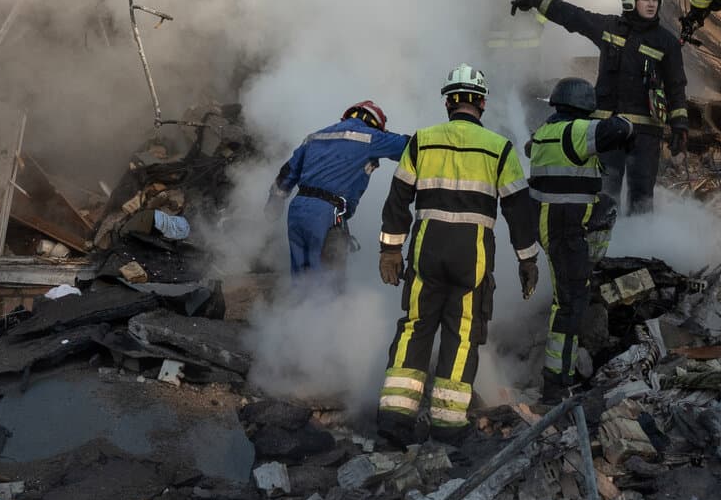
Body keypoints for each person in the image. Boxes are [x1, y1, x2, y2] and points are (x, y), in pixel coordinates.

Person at [375, 64, 537, 446]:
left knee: (415, 327)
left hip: (426, 252)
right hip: (473, 257)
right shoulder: (499, 149)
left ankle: (395, 418)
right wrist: (527, 260)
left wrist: (390, 250)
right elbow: (519, 211)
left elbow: (397, 200)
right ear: (482, 103)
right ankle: (448, 423)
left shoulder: (422, 141)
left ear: (449, 102)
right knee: (462, 335)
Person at [524, 0, 689, 213]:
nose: (652, 4)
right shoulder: (609, 27)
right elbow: (574, 17)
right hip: (606, 130)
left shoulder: (667, 42)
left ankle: (640, 245)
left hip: (645, 134)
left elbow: (676, 85)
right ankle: (606, 242)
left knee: (642, 195)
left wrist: (680, 126)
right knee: (604, 191)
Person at [525, 77, 635, 399]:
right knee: (571, 305)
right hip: (565, 227)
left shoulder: (544, 133)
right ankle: (558, 383)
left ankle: (558, 376)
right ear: (585, 106)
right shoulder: (576, 131)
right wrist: (629, 125)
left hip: (548, 222)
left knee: (569, 296)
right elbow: (616, 129)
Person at [271, 101, 409, 277]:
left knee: (301, 276)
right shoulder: (371, 137)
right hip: (327, 213)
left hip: (297, 211)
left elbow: (287, 172)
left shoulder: (315, 136)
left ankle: (301, 304)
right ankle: (328, 305)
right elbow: (410, 146)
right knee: (329, 279)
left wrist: (274, 200)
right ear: (375, 124)